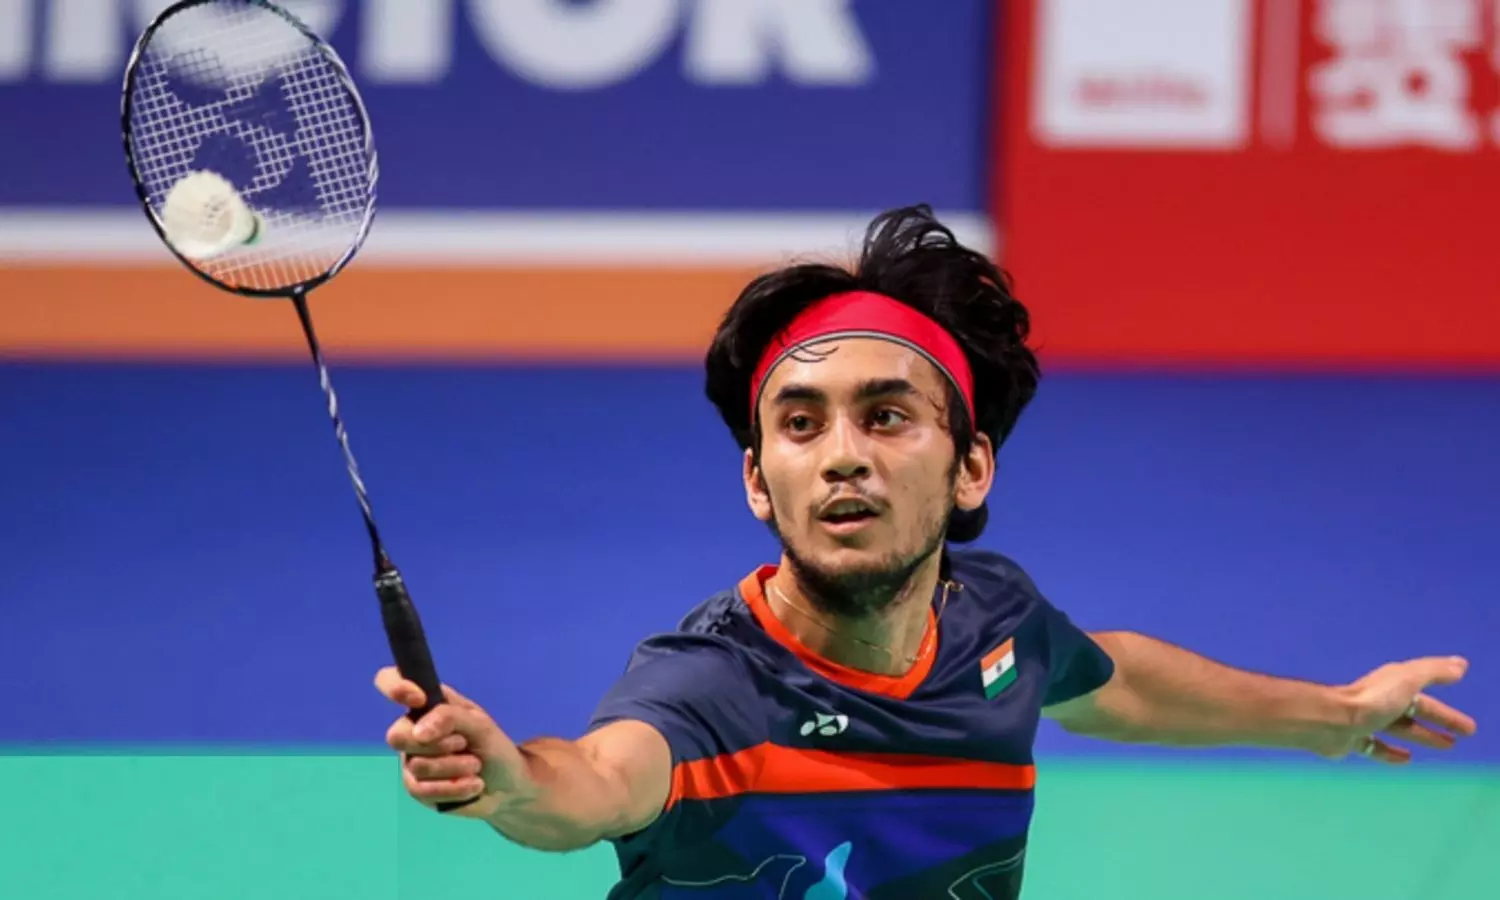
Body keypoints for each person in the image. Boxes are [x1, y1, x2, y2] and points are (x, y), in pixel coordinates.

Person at [374, 206, 1477, 899]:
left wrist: (1335, 715)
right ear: (758, 480)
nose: (841, 456)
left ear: (971, 467)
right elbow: (595, 783)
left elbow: (1114, 682)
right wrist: (509, 781)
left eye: (887, 415)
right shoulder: (711, 689)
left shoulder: (995, 623)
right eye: (799, 425)